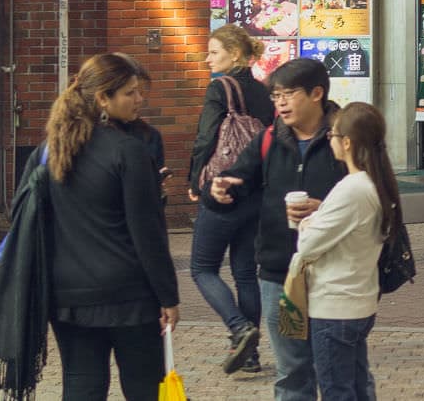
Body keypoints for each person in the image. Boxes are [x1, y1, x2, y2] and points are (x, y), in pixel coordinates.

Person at [40, 54, 179, 401]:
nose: (139, 100)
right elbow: (147, 231)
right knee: (145, 384)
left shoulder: (51, 151)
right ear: (103, 98)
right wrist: (168, 296)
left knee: (81, 384)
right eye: (130, 93)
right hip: (128, 293)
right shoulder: (128, 151)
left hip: (68, 293)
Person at [211, 56, 346, 401]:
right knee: (292, 370)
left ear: (317, 93)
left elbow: (373, 196)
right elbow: (241, 180)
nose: (281, 102)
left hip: (334, 273)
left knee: (338, 369)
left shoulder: (346, 137)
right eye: (276, 96)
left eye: (289, 94)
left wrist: (324, 209)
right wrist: (222, 188)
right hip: (279, 273)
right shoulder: (269, 139)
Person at [289, 101, 401, 401]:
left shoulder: (352, 188)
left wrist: (307, 221)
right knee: (357, 386)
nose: (330, 141)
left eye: (333, 136)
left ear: (347, 142)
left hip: (335, 305)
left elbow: (308, 245)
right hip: (358, 300)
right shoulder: (375, 183)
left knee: (338, 391)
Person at [186, 25, 274, 377]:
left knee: (202, 268)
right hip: (255, 191)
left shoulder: (219, 87)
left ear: (235, 55)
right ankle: (250, 356)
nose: (208, 59)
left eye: (214, 52)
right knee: (245, 274)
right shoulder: (265, 92)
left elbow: (206, 136)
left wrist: (196, 180)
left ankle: (239, 328)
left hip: (223, 191)